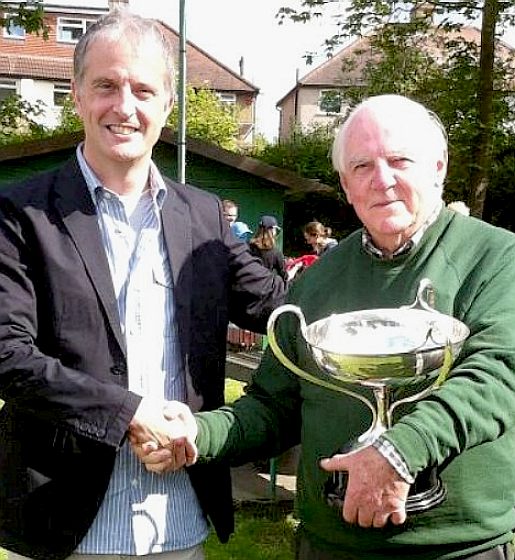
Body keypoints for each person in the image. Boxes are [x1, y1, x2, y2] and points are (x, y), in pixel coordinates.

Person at [138, 94, 515, 560]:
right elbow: (274, 407)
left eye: (399, 160)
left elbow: (498, 377)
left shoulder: (497, 257)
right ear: (345, 183)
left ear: (438, 167)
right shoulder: (319, 279)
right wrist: (198, 433)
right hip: (327, 543)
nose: (382, 180)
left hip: (455, 548)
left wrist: (399, 451)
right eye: (362, 166)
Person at [0, 10, 285, 560]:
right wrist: (128, 411)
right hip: (62, 520)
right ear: (78, 95)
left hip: (179, 517)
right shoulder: (20, 213)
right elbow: (8, 353)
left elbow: (277, 311)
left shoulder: (204, 217)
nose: (124, 106)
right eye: (105, 85)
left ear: (166, 106)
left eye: (143, 89)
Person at [248, 215, 288, 283]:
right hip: (263, 288)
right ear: (272, 230)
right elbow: (284, 276)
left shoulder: (247, 246)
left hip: (246, 287)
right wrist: (295, 268)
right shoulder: (276, 252)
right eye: (275, 229)